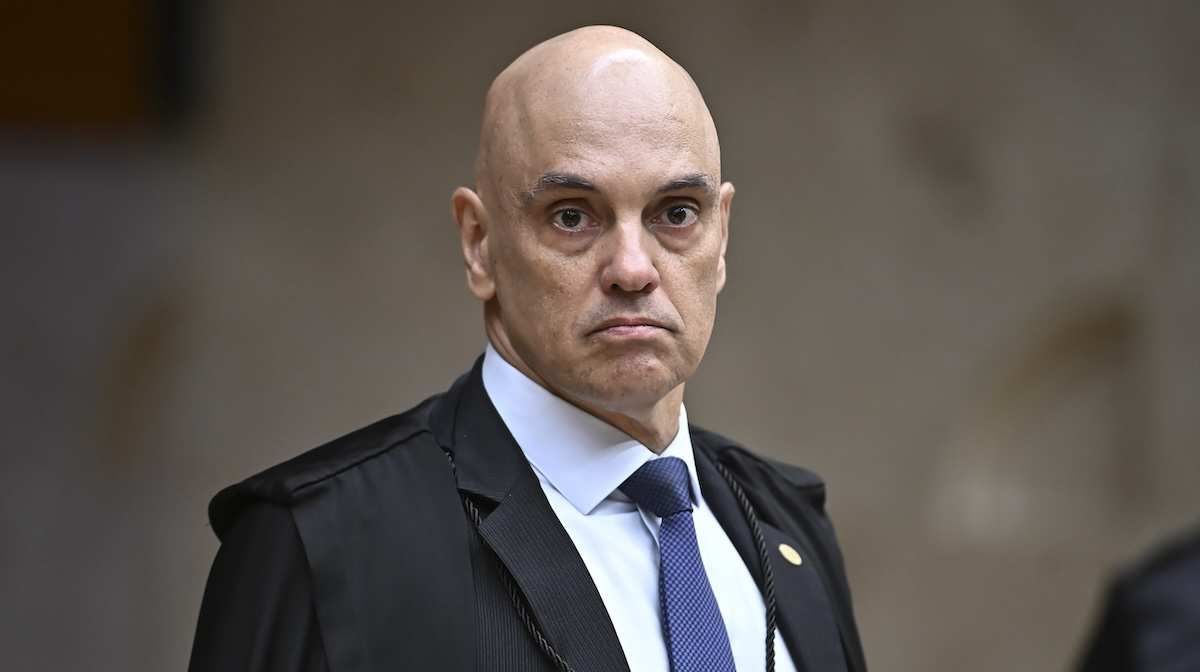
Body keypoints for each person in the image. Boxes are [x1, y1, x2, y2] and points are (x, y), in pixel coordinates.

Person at [188, 25, 866, 672]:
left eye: (676, 213)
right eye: (572, 216)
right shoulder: (320, 543)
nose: (633, 269)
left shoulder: (787, 522)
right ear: (478, 243)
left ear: (721, 237)